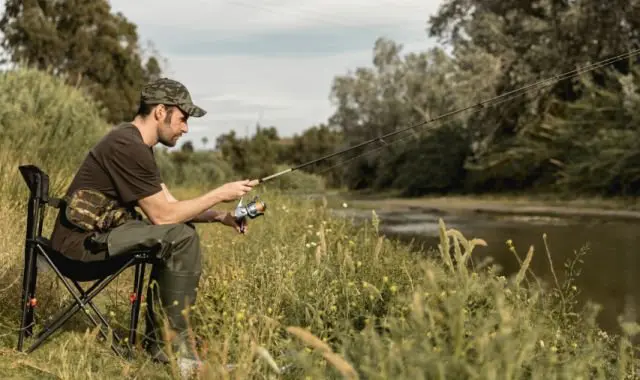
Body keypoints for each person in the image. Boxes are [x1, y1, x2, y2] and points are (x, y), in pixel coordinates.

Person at [49, 77, 257, 376]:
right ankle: (173, 352)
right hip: (79, 249)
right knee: (180, 237)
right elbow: (164, 217)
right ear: (161, 111)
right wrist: (219, 192)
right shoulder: (127, 144)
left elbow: (171, 205)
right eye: (183, 119)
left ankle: (164, 346)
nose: (185, 128)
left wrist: (221, 216)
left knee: (182, 233)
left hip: (90, 239)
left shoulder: (136, 145)